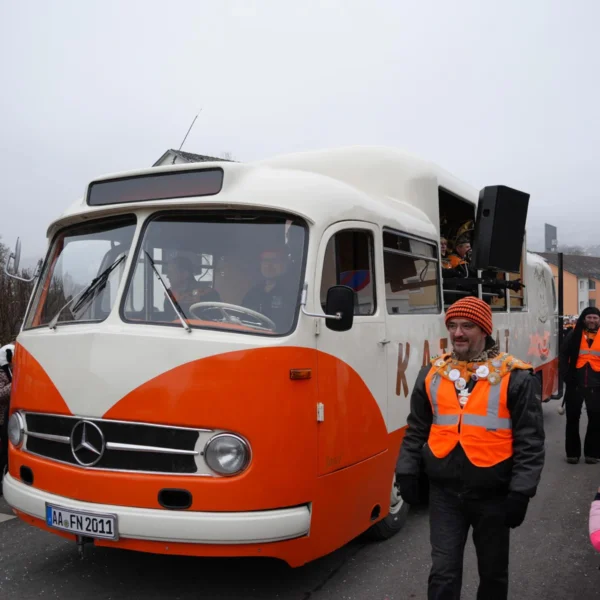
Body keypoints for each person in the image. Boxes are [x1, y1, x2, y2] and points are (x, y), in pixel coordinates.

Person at [397, 296, 545, 600]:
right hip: (444, 494)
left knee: (493, 573)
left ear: (484, 329)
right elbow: (416, 429)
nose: (457, 333)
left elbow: (530, 441)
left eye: (467, 326)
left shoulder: (516, 376)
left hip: (494, 494)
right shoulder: (433, 373)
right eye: (452, 325)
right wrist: (407, 469)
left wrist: (521, 492)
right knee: (443, 572)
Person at [560, 306, 600, 464]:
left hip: (596, 385)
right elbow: (563, 355)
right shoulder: (574, 335)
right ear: (584, 319)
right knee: (572, 419)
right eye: (589, 317)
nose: (592, 320)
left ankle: (592, 454)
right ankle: (572, 454)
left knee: (596, 420)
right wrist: (566, 376)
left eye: (595, 318)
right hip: (575, 384)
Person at [242, 248, 295, 331]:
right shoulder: (253, 292)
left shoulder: (293, 292)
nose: (269, 265)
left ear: (284, 264)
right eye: (265, 261)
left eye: (274, 261)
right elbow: (243, 318)